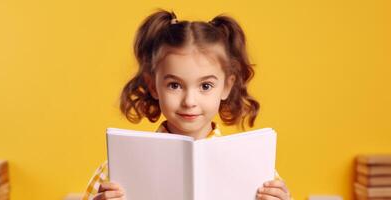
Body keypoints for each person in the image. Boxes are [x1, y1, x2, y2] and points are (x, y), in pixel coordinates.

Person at [82, 9, 292, 200]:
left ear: (227, 86)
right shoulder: (115, 172)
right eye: (174, 85)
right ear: (153, 86)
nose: (189, 101)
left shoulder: (258, 171)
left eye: (206, 86)